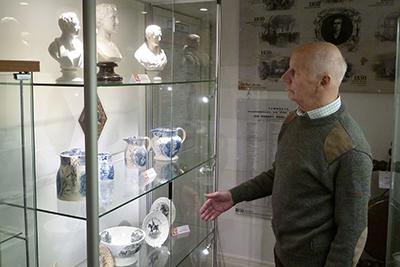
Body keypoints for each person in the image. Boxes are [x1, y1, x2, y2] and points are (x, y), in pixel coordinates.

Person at [200, 42, 373, 267]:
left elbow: (352, 232)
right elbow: (279, 173)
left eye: (295, 72)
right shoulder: (295, 119)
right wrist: (234, 196)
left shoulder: (350, 149)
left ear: (324, 81)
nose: (285, 77)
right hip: (284, 253)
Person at [48, 12, 83, 82]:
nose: (79, 27)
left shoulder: (81, 46)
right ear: (65, 27)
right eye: (75, 25)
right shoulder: (54, 47)